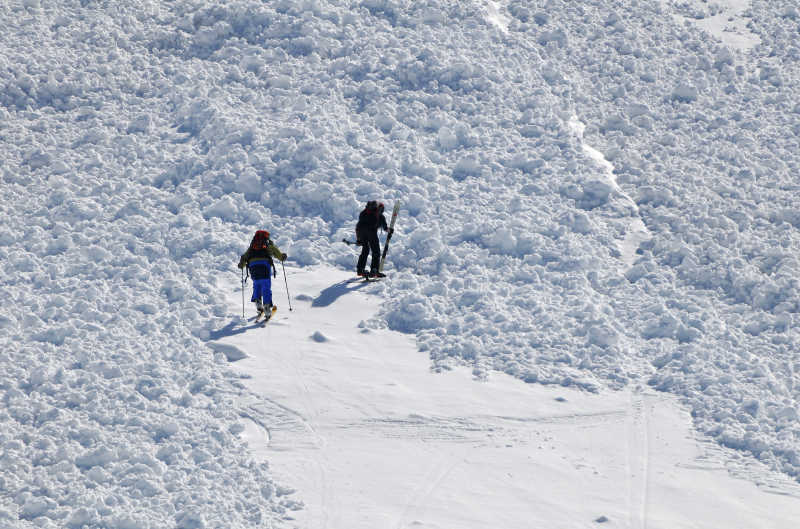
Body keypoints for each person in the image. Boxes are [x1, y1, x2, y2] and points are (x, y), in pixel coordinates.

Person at [238, 230, 287, 315]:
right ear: (266, 236)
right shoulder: (268, 245)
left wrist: (241, 265)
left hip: (253, 267)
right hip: (264, 266)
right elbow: (279, 255)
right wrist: (283, 257)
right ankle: (267, 306)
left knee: (256, 284)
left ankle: (258, 301)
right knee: (265, 286)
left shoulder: (252, 247)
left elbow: (244, 258)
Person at [355, 200, 390, 278]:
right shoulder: (380, 216)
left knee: (365, 250)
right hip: (371, 233)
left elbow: (358, 226)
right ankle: (374, 270)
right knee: (376, 251)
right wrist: (389, 230)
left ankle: (360, 270)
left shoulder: (363, 213)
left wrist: (359, 239)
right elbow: (385, 228)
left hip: (361, 232)